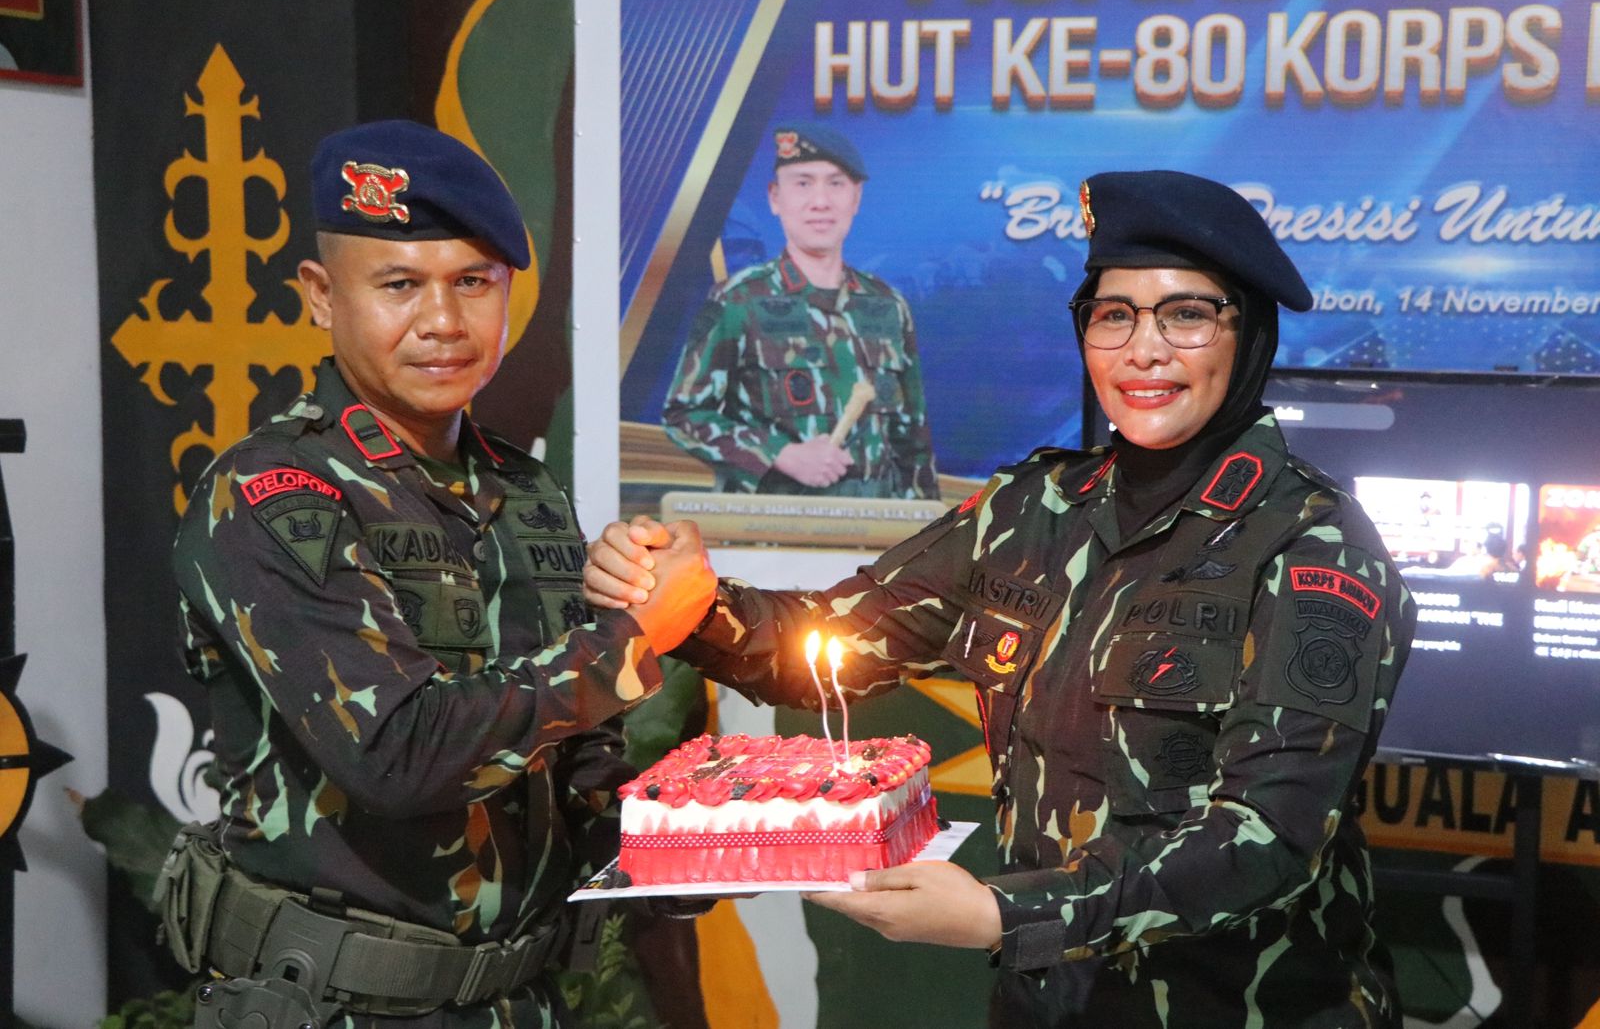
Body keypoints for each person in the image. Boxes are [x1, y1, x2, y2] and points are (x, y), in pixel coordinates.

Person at [589, 170, 1416, 1027]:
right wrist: (692, 603)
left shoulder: (1313, 545)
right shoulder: (1028, 511)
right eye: (1114, 315)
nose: (1144, 350)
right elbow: (828, 645)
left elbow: (1267, 838)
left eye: (1186, 314)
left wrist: (1004, 914)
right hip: (1044, 1004)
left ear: (1251, 335)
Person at [161, 120, 715, 1028]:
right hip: (338, 1006)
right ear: (320, 296)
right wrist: (632, 638)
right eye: (399, 285)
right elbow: (400, 758)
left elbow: (571, 766)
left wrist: (738, 836)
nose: (445, 322)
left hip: (519, 1000)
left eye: (473, 282)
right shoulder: (270, 495)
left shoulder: (525, 492)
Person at [661, 122, 939, 499]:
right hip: (773, 526)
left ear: (856, 198)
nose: (820, 202)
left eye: (836, 184)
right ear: (775, 197)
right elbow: (684, 415)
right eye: (803, 183)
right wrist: (781, 454)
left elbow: (914, 445)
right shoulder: (738, 301)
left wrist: (927, 528)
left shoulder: (888, 306)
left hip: (876, 525)